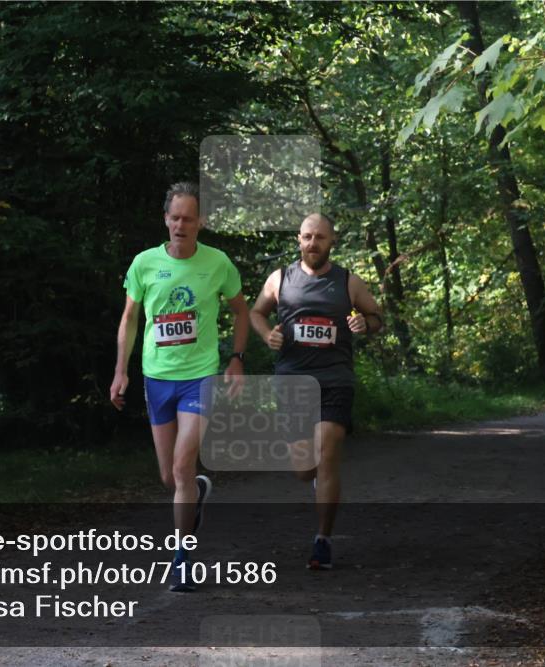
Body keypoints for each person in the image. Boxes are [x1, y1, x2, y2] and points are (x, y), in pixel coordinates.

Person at [111, 181, 249, 591]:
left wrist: (236, 359)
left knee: (182, 466)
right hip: (157, 377)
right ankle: (197, 493)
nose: (181, 225)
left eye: (189, 218)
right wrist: (121, 371)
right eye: (175, 217)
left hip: (200, 377)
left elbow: (241, 312)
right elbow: (129, 318)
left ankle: (182, 560)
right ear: (165, 219)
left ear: (200, 222)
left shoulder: (217, 263)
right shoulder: (144, 264)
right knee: (169, 478)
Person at [250, 213, 382, 570]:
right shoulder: (280, 279)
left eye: (320, 237)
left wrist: (364, 322)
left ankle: (322, 540)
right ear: (299, 239)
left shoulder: (348, 281)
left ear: (332, 241)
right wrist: (267, 334)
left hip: (335, 380)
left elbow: (377, 317)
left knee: (327, 453)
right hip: (292, 381)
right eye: (307, 236)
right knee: (303, 469)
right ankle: (316, 482)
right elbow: (257, 313)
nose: (313, 243)